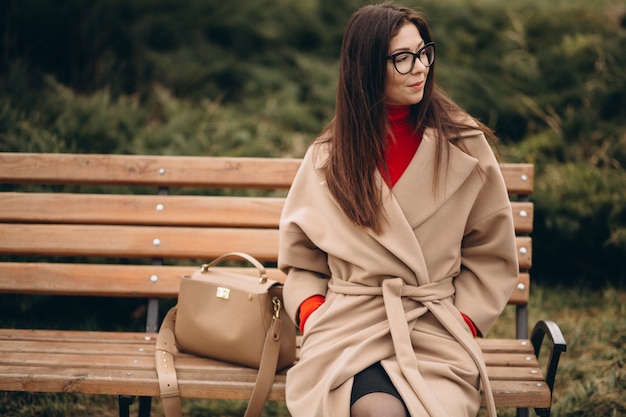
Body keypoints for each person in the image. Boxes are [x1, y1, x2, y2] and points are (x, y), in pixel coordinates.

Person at [278, 3, 519, 417]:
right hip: (346, 328)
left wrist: (466, 320)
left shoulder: (463, 144)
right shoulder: (329, 156)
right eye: (402, 58)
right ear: (367, 67)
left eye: (424, 52)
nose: (420, 67)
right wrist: (311, 312)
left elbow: (491, 251)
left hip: (433, 330)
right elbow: (302, 261)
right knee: (377, 410)